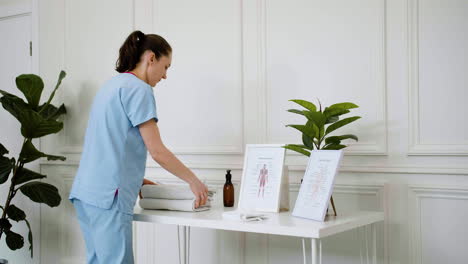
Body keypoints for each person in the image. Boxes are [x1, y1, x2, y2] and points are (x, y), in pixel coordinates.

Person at [68, 30, 208, 264]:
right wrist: (193, 181)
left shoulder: (111, 86)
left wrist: (137, 180)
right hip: (108, 198)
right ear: (151, 58)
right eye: (166, 67)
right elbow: (158, 151)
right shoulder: (140, 89)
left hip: (86, 194)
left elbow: (108, 144)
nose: (164, 76)